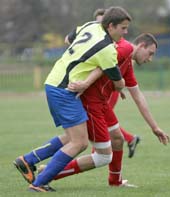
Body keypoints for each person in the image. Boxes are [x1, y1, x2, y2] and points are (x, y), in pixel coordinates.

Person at [13, 6, 132, 192]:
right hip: (65, 89)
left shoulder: (91, 25)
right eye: (123, 28)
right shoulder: (108, 50)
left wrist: (80, 59)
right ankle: (39, 182)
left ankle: (27, 160)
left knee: (71, 137)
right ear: (111, 26)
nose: (126, 32)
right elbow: (117, 82)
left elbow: (69, 38)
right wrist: (119, 82)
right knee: (80, 142)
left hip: (54, 80)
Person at [39, 33, 170, 187]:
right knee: (100, 155)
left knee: (117, 139)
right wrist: (86, 83)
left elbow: (138, 96)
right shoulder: (123, 48)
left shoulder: (127, 63)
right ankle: (49, 173)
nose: (150, 59)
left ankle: (115, 182)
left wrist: (154, 127)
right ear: (141, 46)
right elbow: (102, 64)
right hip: (89, 102)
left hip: (101, 103)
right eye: (150, 53)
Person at [74, 7, 141, 158]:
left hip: (106, 92)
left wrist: (86, 83)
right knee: (94, 129)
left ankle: (103, 152)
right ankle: (128, 139)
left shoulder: (117, 46)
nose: (100, 26)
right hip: (98, 92)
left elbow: (107, 66)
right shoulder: (96, 37)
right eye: (98, 22)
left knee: (96, 129)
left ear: (110, 24)